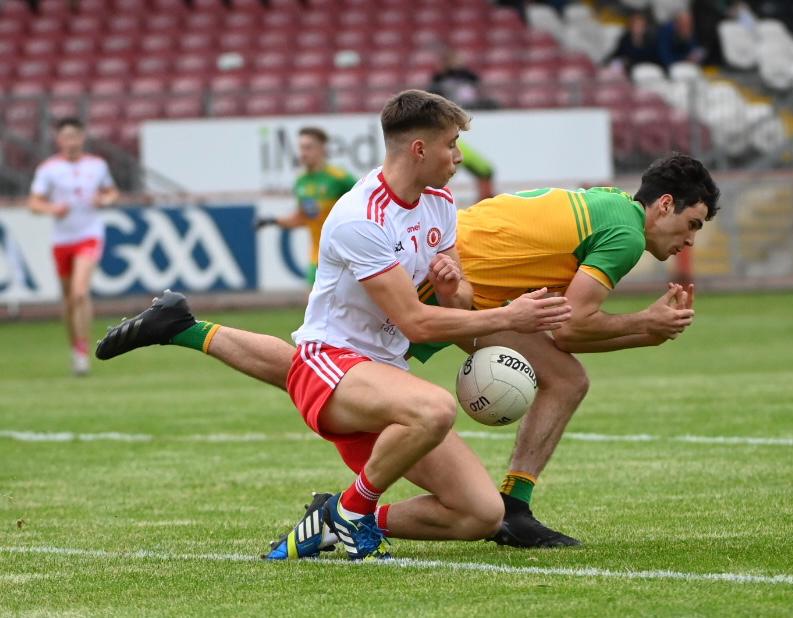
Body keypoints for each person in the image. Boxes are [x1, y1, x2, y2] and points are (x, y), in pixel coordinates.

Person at [94, 90, 571, 561]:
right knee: (434, 408)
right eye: (451, 145)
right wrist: (510, 316)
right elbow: (416, 323)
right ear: (419, 149)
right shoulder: (360, 217)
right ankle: (353, 511)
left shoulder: (441, 203)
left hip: (384, 375)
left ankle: (333, 517)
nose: (459, 157)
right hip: (334, 362)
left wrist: (453, 288)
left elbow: (459, 304)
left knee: (480, 515)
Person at [409, 153, 720, 547]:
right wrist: (644, 324)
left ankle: (514, 509)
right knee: (371, 399)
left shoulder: (610, 204)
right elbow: (572, 331)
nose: (690, 240)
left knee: (566, 378)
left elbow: (563, 326)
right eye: (691, 224)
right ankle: (351, 512)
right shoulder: (627, 235)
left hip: (449, 274)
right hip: (440, 283)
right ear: (664, 205)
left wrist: (650, 333)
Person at [28, 117, 119, 376]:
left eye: (74, 136)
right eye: (65, 137)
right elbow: (34, 203)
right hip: (62, 240)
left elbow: (112, 192)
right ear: (59, 140)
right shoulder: (48, 169)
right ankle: (75, 348)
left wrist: (104, 200)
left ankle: (83, 351)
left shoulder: (97, 165)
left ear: (82, 137)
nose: (70, 142)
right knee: (69, 301)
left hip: (89, 234)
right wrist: (52, 208)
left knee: (80, 293)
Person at [255, 126, 357, 286]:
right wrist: (272, 221)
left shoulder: (340, 178)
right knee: (314, 308)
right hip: (317, 256)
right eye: (301, 148)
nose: (303, 153)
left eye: (308, 147)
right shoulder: (301, 182)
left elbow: (365, 205)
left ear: (322, 149)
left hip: (345, 254)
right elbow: (303, 218)